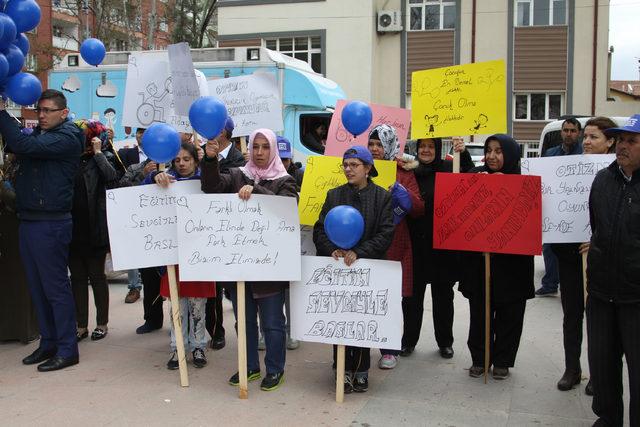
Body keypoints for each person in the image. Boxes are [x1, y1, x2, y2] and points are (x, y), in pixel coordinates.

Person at [201, 128, 297, 391]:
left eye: (266, 147)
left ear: (274, 150)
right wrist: (209, 160)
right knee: (243, 322)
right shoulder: (237, 174)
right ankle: (250, 366)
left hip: (269, 267)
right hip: (239, 265)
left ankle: (275, 369)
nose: (259, 152)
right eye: (255, 147)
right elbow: (211, 186)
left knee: (273, 323)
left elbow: (285, 209)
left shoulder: (284, 180)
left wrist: (255, 190)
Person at [0, 89, 84, 371]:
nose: (42, 115)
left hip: (51, 222)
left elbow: (24, 146)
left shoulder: (68, 136)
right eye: (39, 110)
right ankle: (48, 342)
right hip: (31, 219)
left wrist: (2, 112)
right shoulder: (42, 136)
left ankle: (67, 348)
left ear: (63, 112)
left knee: (55, 288)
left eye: (48, 111)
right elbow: (21, 145)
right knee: (37, 288)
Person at [313, 145, 394, 393]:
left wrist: (360, 252)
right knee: (340, 320)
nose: (348, 169)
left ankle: (360, 370)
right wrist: (332, 250)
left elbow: (386, 232)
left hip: (366, 269)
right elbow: (319, 229)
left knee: (361, 320)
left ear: (368, 169)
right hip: (339, 270)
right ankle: (341, 370)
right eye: (345, 165)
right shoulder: (334, 195)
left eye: (354, 165)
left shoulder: (382, 197)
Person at [459, 134, 535, 380]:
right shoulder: (477, 176)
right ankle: (480, 359)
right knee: (480, 311)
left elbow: (531, 219)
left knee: (510, 313)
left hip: (513, 263)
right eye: (489, 150)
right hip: (481, 260)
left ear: (511, 155)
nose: (492, 156)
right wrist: (475, 186)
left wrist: (508, 188)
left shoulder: (524, 181)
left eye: (498, 151)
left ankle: (502, 359)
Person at [553, 116, 617, 394]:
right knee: (572, 315)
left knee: (599, 319)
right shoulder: (570, 167)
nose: (587, 142)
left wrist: (598, 240)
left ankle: (597, 373)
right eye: (586, 137)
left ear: (610, 142)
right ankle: (572, 368)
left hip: (604, 261)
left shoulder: (616, 173)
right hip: (570, 256)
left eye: (594, 137)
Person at [586, 114, 640, 427]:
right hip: (602, 294)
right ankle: (608, 418)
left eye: (631, 141)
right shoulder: (603, 180)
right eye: (620, 140)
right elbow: (598, 227)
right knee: (603, 365)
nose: (622, 146)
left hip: (636, 298)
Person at [145, 142, 216, 369]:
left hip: (198, 256)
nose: (182, 163)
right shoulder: (165, 181)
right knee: (176, 305)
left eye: (187, 159)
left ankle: (198, 346)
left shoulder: (204, 181)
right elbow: (140, 193)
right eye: (177, 160)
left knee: (197, 306)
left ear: (195, 160)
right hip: (173, 256)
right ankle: (177, 347)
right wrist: (155, 175)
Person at [403, 136, 474, 358]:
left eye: (430, 146)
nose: (425, 150)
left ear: (438, 149)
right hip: (415, 245)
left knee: (443, 297)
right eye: (422, 146)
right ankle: (408, 341)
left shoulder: (448, 167)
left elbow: (472, 178)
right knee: (412, 298)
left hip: (443, 246)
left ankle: (445, 341)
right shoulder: (408, 170)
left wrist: (464, 153)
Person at [366, 125, 423, 369]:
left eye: (379, 144)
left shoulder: (403, 172)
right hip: (366, 242)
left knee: (389, 299)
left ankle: (389, 350)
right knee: (367, 297)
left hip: (394, 244)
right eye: (372, 144)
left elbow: (419, 208)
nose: (375, 149)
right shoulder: (362, 167)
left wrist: (403, 195)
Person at [70, 120, 123, 342]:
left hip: (96, 228)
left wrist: (99, 153)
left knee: (97, 277)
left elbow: (113, 178)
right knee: (77, 279)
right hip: (72, 228)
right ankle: (80, 325)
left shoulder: (106, 157)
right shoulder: (71, 159)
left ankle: (102, 324)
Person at [203, 117, 245, 351]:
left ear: (226, 132)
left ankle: (247, 332)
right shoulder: (203, 153)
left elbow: (226, 182)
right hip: (208, 228)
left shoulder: (239, 158)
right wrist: (206, 160)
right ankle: (216, 330)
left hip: (233, 229)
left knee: (235, 286)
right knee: (213, 287)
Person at [536, 118, 582, 298]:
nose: (569, 134)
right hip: (555, 209)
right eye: (566, 130)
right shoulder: (550, 153)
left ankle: (575, 286)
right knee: (549, 247)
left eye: (572, 130)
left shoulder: (584, 154)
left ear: (578, 133)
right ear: (561, 132)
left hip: (576, 210)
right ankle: (550, 284)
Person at [119, 128, 155, 304]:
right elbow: (122, 187)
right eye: (139, 132)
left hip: (159, 221)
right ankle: (134, 287)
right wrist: (143, 174)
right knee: (135, 254)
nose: (142, 135)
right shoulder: (135, 167)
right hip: (138, 219)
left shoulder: (172, 165)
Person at [275, 135, 304, 350]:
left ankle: (293, 330)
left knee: (291, 291)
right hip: (272, 242)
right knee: (272, 290)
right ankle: (270, 331)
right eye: (279, 158)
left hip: (296, 241)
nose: (283, 163)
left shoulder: (303, 176)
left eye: (286, 159)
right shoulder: (261, 176)